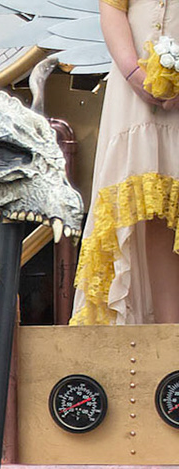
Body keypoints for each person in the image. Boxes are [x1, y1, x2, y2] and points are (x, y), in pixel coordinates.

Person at [73, 0, 179, 324]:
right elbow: (113, 9)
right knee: (148, 210)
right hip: (134, 90)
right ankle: (165, 339)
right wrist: (135, 73)